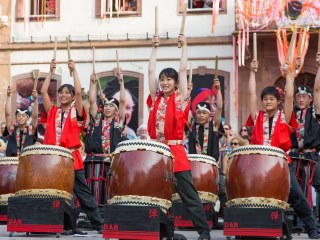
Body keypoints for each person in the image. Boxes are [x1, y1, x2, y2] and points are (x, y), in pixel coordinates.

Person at [246, 58, 319, 239]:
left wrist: (288, 75)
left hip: (281, 164)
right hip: (259, 164)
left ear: (278, 101)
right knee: (255, 197)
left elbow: (288, 95)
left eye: (271, 99)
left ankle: (312, 228)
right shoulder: (257, 117)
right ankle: (255, 228)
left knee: (297, 196)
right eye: (265, 99)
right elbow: (251, 95)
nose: (267, 102)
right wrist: (253, 72)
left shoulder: (284, 117)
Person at [147, 33, 211, 240]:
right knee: (155, 193)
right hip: (157, 151)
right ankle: (158, 230)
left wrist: (185, 45)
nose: (164, 83)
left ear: (175, 83)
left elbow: (183, 69)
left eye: (169, 79)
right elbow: (150, 70)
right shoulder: (155, 98)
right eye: (162, 80)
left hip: (175, 150)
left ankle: (204, 232)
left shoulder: (181, 98)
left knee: (188, 194)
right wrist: (154, 48)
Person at [41, 59, 103, 234]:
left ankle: (99, 224)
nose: (64, 95)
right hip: (53, 159)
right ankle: (54, 224)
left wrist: (74, 70)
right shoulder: (53, 111)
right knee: (52, 192)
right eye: (61, 93)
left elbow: (78, 93)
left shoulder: (77, 111)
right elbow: (44, 92)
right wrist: (50, 72)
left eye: (67, 93)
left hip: (72, 158)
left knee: (82, 193)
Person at [83, 71, 126, 205]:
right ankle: (92, 211)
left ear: (116, 110)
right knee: (94, 188)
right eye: (106, 106)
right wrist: (93, 83)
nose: (107, 108)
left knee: (109, 188)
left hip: (111, 160)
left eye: (111, 106)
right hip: (95, 159)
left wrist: (121, 82)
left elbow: (123, 102)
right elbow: (91, 101)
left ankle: (107, 211)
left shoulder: (118, 122)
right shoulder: (97, 120)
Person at [289, 54, 320, 212]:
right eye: (298, 97)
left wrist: (319, 67)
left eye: (304, 97)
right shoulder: (290, 113)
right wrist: (293, 71)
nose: (301, 99)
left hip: (312, 156)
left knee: (318, 184)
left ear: (310, 99)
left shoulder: (315, 112)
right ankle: (296, 218)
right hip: (294, 156)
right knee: (294, 187)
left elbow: (317, 89)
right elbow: (288, 94)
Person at [5, 86, 38, 156]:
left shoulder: (31, 129)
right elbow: (7, 114)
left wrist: (35, 99)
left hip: (27, 161)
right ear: (16, 118)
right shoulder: (12, 129)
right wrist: (8, 96)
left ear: (28, 118)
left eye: (23, 116)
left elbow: (35, 116)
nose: (21, 118)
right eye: (19, 116)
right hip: (13, 162)